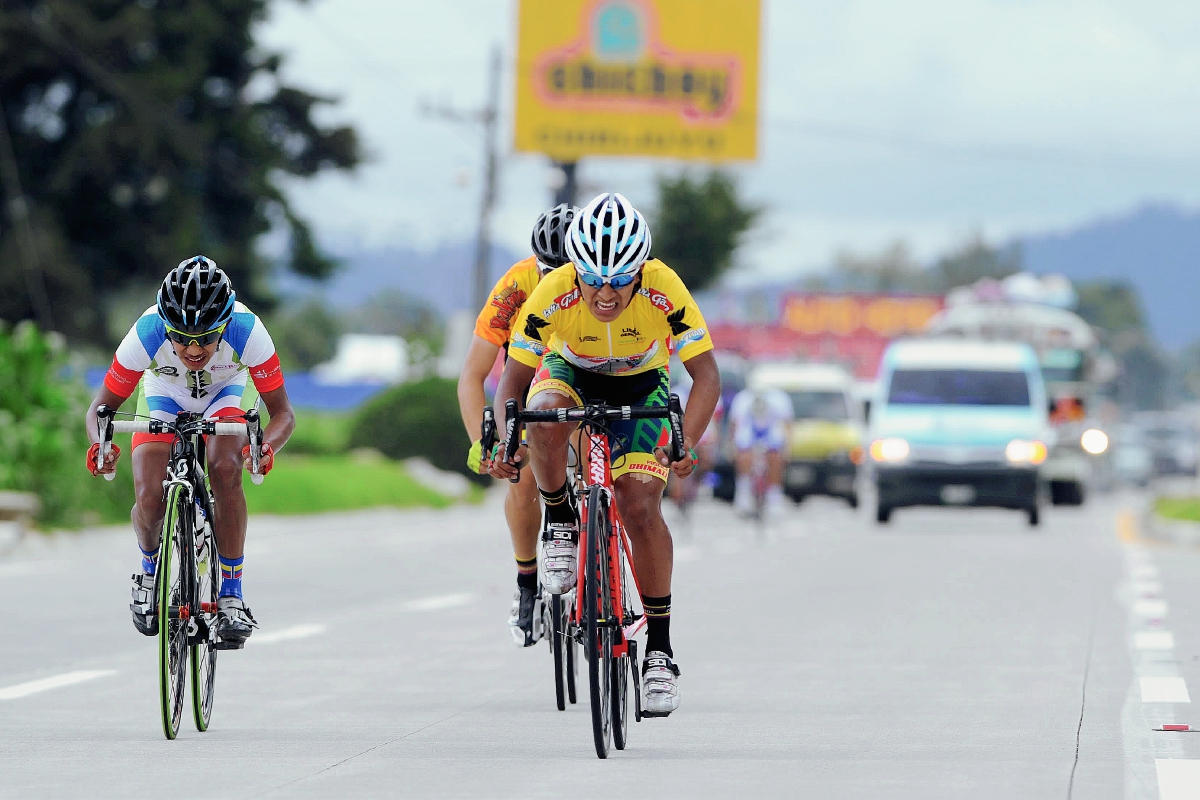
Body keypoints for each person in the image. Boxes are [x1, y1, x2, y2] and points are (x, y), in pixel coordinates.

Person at [490, 193, 721, 717]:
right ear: (575, 270)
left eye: (621, 278)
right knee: (543, 412)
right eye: (593, 277)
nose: (607, 292)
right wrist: (508, 440)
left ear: (641, 269)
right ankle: (562, 519)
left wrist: (688, 441)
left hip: (642, 383)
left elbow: (706, 377)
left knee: (640, 505)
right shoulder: (551, 291)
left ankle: (658, 652)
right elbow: (513, 380)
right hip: (571, 371)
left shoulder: (666, 288)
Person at [85, 256, 295, 647]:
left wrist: (265, 448)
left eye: (205, 338)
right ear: (166, 327)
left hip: (226, 392)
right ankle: (150, 575)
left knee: (224, 467)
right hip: (163, 395)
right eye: (180, 337)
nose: (193, 349)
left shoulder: (248, 331)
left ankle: (231, 595)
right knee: (149, 493)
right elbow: (101, 409)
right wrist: (101, 443)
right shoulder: (146, 332)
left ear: (226, 325)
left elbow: (283, 415)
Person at [457, 203, 576, 647]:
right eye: (549, 271)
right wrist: (480, 443)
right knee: (523, 478)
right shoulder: (516, 284)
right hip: (527, 383)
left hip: (584, 377)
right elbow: (472, 375)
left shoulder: (604, 287)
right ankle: (527, 582)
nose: (559, 281)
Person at [727, 382, 794, 515]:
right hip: (749, 432)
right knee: (744, 455)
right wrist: (732, 446)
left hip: (771, 432)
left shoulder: (780, 398)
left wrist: (787, 447)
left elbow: (787, 424)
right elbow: (734, 424)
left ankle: (774, 495)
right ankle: (744, 492)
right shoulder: (742, 398)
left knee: (775, 456)